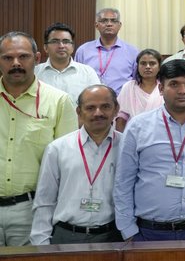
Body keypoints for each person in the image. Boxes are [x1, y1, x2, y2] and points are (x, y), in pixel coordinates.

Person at [115, 59, 185, 241]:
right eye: (174, 84)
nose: (182, 91)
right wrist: (127, 230)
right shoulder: (138, 126)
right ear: (161, 89)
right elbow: (124, 180)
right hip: (149, 232)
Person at [0, 32, 75, 245]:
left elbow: (68, 162)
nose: (16, 63)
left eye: (23, 56)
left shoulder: (58, 101)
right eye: (7, 58)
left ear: (38, 58)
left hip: (31, 210)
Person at [31, 85, 123, 245]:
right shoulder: (58, 148)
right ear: (79, 112)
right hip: (66, 236)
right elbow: (45, 200)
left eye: (105, 106)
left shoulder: (127, 147)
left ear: (116, 110)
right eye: (90, 108)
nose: (98, 113)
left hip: (112, 236)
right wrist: (41, 242)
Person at [74, 7, 138, 92]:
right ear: (96, 25)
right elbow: (77, 79)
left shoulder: (132, 52)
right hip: (91, 101)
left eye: (113, 21)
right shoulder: (83, 51)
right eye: (104, 21)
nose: (109, 24)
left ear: (119, 25)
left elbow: (137, 81)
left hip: (122, 101)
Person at [35, 23, 102, 100]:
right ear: (45, 47)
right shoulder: (35, 73)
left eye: (66, 41)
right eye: (55, 41)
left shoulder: (87, 73)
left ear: (72, 47)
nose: (61, 46)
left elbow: (97, 100)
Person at [115, 49, 163, 131]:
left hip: (160, 134)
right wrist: (121, 139)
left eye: (152, 63)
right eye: (143, 63)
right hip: (132, 134)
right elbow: (121, 116)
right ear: (137, 67)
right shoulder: (129, 87)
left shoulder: (165, 87)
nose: (147, 67)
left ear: (159, 67)